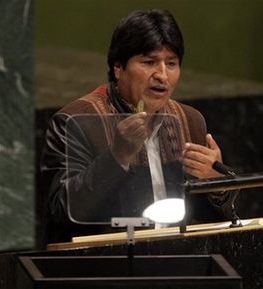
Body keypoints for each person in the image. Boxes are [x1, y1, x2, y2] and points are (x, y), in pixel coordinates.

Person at [40, 9, 238, 246]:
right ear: (118, 67)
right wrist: (117, 156)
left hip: (175, 262)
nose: (162, 75)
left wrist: (215, 184)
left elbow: (210, 224)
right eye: (149, 62)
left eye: (171, 63)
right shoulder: (76, 121)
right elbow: (62, 213)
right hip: (103, 267)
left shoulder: (189, 120)